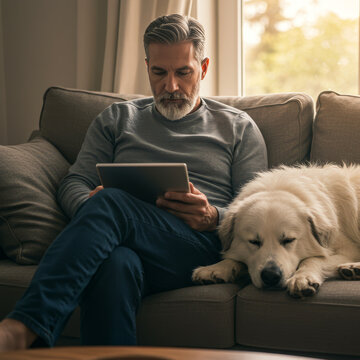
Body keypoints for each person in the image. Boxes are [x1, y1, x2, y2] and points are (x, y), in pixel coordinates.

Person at [0, 14, 267, 350]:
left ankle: (23, 328)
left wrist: (214, 216)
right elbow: (74, 183)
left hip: (198, 247)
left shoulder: (239, 127)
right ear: (146, 67)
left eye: (183, 72)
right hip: (120, 242)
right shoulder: (117, 119)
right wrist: (90, 207)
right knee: (115, 264)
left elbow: (258, 211)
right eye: (159, 72)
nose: (171, 86)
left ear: (204, 67)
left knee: (112, 203)